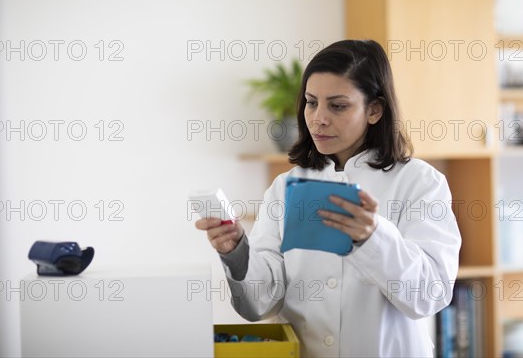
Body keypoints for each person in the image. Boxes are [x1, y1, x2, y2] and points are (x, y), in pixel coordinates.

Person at [195, 40, 462, 357]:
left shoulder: (419, 182)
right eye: (311, 102)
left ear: (374, 110)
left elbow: (429, 295)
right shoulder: (285, 187)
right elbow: (259, 305)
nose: (318, 118)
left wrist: (373, 238)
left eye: (337, 106)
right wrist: (237, 252)